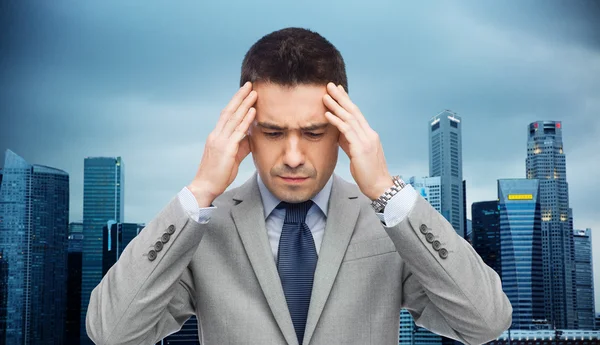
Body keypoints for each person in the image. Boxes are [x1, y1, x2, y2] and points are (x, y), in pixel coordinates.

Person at [86, 27, 512, 345]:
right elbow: (112, 331)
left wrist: (386, 187)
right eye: (272, 133)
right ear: (245, 131)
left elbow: (485, 320)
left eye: (312, 133)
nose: (292, 156)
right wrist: (200, 190)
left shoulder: (387, 223)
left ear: (344, 132)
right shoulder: (202, 230)